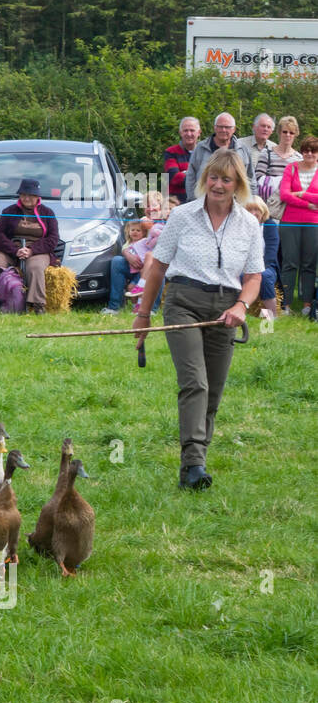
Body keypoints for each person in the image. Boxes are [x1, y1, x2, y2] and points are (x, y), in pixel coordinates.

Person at [135, 149, 262, 491]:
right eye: (213, 178)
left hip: (225, 310)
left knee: (215, 390)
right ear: (205, 179)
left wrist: (241, 307)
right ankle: (192, 464)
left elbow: (253, 278)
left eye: (226, 179)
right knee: (196, 383)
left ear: (238, 184)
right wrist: (144, 315)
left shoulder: (249, 224)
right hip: (183, 302)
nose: (218, 185)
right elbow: (159, 266)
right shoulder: (183, 216)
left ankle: (198, 461)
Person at [0, 178, 59, 314]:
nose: (26, 198)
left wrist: (32, 251)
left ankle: (38, 305)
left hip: (37, 250)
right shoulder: (9, 210)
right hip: (10, 248)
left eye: (31, 195)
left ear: (38, 197)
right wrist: (15, 250)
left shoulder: (47, 213)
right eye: (23, 194)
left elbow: (53, 239)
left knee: (35, 267)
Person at [277, 135, 318, 316]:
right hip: (290, 221)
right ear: (301, 152)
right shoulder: (291, 168)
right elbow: (285, 194)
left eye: (313, 150)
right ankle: (285, 304)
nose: (309, 153)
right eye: (306, 150)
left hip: (313, 224)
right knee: (289, 263)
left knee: (309, 265)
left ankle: (306, 304)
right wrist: (308, 204)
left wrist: (301, 193)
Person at [185, 112, 256, 200]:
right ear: (215, 128)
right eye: (220, 126)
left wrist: (252, 200)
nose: (223, 130)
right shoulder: (201, 148)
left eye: (227, 127)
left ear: (234, 129)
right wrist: (192, 200)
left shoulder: (243, 149)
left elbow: (251, 177)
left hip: (236, 203)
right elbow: (191, 176)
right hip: (203, 202)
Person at [102, 219, 154, 315]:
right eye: (132, 230)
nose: (135, 232)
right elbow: (124, 249)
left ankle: (142, 307)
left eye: (138, 231)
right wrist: (125, 253)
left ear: (143, 233)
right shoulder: (127, 243)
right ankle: (119, 306)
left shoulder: (144, 242)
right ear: (128, 231)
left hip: (142, 271)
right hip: (132, 270)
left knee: (132, 287)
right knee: (130, 287)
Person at [256, 115, 301, 221]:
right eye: (285, 132)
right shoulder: (266, 153)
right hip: (269, 208)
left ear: (295, 135)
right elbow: (257, 179)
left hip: (290, 209)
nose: (288, 135)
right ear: (279, 132)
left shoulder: (299, 158)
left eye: (291, 133)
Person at [243, 195, 280, 318]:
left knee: (263, 277)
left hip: (266, 267)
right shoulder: (239, 227)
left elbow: (271, 253)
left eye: (257, 210)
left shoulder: (270, 225)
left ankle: (270, 319)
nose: (253, 213)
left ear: (263, 211)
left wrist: (256, 270)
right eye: (249, 210)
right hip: (243, 267)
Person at [162, 117, 200, 206]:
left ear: (199, 132)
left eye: (192, 130)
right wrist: (198, 176)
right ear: (180, 133)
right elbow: (174, 177)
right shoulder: (171, 152)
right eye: (185, 130)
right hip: (176, 204)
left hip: (199, 203)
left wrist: (185, 173)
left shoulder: (205, 152)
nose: (189, 134)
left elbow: (210, 178)